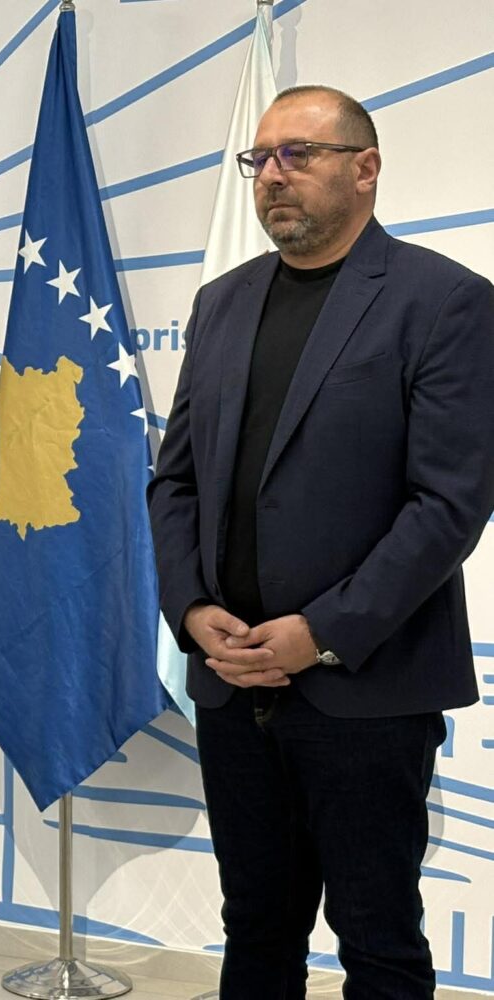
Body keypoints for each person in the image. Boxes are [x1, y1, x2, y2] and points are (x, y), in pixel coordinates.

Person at [149, 85, 494, 998]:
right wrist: (191, 609)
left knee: (377, 940)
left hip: (364, 689)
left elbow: (447, 504)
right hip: (230, 681)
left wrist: (322, 632)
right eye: (258, 159)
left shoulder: (444, 301)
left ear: (364, 168)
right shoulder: (220, 303)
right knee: (255, 929)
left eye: (296, 155)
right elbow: (174, 480)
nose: (271, 176)